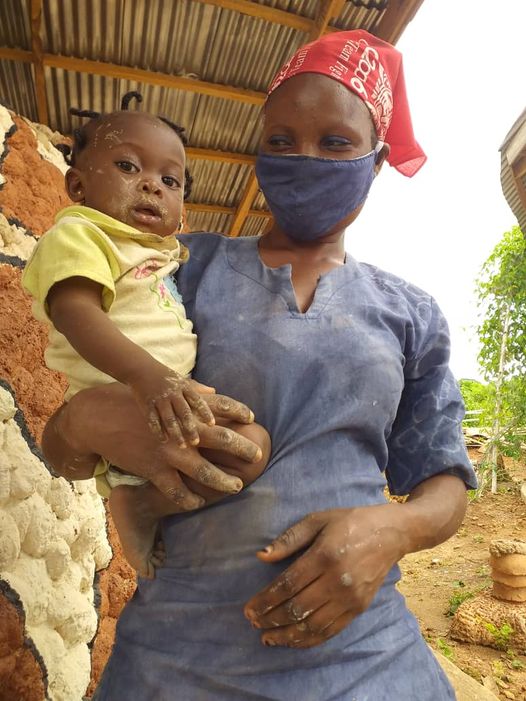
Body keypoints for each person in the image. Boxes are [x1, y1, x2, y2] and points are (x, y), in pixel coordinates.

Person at [43, 30, 477, 700]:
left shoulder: (409, 312)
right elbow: (62, 449)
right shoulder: (175, 266)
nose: (305, 159)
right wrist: (88, 418)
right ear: (258, 153)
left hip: (366, 662)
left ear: (377, 160)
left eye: (335, 142)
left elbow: (445, 485)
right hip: (177, 659)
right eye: (281, 141)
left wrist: (393, 527)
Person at [22, 92, 270, 578]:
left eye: (169, 179)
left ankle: (142, 502)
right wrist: (146, 376)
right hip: (128, 399)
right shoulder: (80, 235)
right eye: (128, 167)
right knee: (249, 446)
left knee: (247, 452)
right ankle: (140, 502)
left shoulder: (160, 255)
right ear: (77, 184)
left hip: (166, 406)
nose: (152, 186)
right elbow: (75, 312)